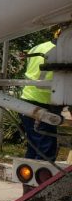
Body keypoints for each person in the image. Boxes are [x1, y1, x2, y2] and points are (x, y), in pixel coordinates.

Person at [18, 29, 63, 161]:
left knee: (34, 146)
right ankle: (43, 181)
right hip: (43, 106)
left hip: (26, 101)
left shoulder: (36, 48)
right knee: (46, 150)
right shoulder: (63, 53)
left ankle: (29, 179)